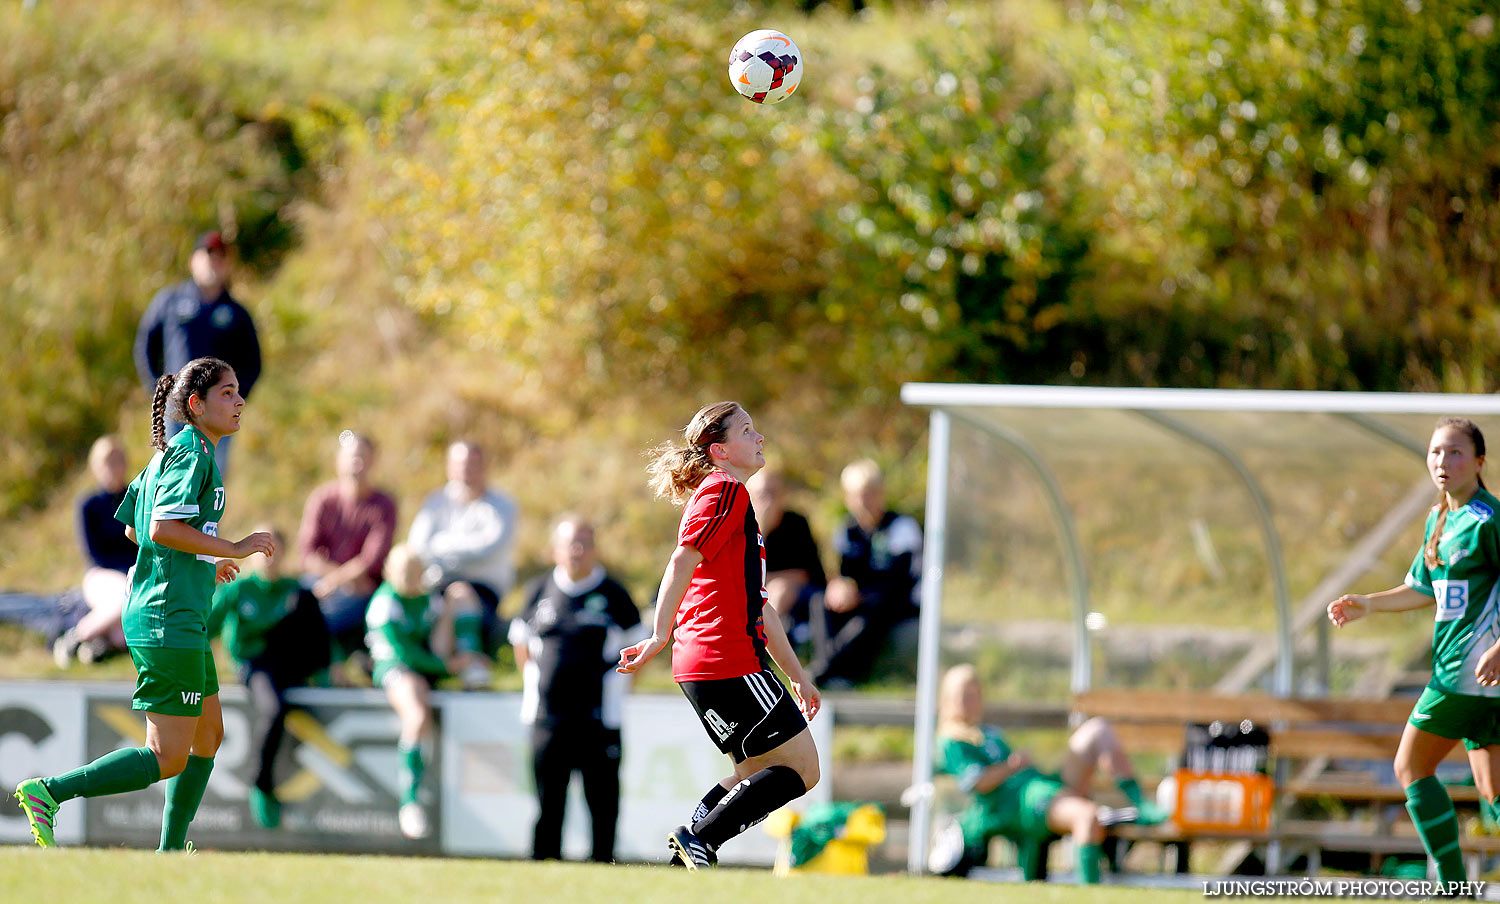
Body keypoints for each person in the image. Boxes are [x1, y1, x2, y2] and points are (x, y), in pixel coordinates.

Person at [13, 357, 276, 851]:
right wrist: (235, 548)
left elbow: (136, 528)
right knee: (168, 755)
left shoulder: (170, 454)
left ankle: (172, 849)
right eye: (227, 393)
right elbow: (158, 530)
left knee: (209, 734)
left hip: (177, 612)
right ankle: (49, 793)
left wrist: (201, 560)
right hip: (167, 618)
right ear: (195, 405)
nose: (240, 400)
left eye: (239, 391)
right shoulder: (193, 455)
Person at [618, 401, 821, 870]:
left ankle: (686, 854)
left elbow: (760, 607)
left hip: (706, 663)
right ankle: (698, 840)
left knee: (751, 774)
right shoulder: (727, 489)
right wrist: (656, 635)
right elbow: (681, 561)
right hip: (726, 659)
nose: (760, 437)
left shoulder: (727, 497)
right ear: (721, 450)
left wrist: (797, 675)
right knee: (801, 770)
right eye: (748, 431)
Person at [1327, 416, 1500, 888]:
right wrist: (1368, 604)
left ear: (1479, 462)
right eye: (1436, 452)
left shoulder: (1490, 519)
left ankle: (1449, 886)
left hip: (1465, 672)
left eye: (1456, 452)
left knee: (1410, 766)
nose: (1443, 461)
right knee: (1492, 790)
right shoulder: (1439, 518)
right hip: (1479, 678)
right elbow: (1422, 588)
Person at [933, 664, 1164, 883]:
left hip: (1038, 786)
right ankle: (1090, 892)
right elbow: (978, 783)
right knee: (1087, 816)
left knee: (1097, 729)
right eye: (964, 696)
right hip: (1020, 804)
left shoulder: (989, 733)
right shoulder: (952, 740)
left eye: (974, 696)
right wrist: (1012, 766)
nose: (971, 703)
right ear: (948, 700)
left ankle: (1140, 803)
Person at [510, 514, 647, 862]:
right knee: (547, 805)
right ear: (554, 549)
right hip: (547, 720)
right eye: (570, 542)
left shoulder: (614, 594)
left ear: (595, 549)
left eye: (585, 542)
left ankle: (603, 871)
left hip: (598, 721)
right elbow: (521, 644)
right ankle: (542, 872)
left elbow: (639, 651)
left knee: (602, 807)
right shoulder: (538, 591)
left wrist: (618, 692)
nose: (577, 549)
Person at [208, 525, 330, 829]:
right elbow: (205, 628)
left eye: (273, 549)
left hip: (288, 664)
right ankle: (261, 784)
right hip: (255, 665)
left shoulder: (296, 590)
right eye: (261, 549)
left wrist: (329, 668)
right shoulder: (239, 587)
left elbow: (319, 635)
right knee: (274, 710)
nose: (267, 557)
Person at [367, 543, 486, 841]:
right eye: (404, 572)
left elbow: (433, 638)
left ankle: (474, 664)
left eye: (415, 571)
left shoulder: (425, 599)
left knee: (460, 593)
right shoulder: (384, 605)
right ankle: (409, 802)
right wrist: (447, 667)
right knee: (418, 716)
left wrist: (450, 661)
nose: (410, 577)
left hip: (427, 665)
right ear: (389, 573)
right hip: (397, 669)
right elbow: (404, 654)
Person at [133, 231, 261, 474]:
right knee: (171, 477)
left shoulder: (236, 313)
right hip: (177, 408)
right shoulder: (170, 302)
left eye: (220, 257)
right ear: (193, 260)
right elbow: (145, 346)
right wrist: (159, 391)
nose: (214, 263)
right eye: (208, 255)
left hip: (216, 413)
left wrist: (230, 399)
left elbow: (253, 363)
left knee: (209, 478)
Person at [814, 459, 922, 687]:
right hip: (861, 598)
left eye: (870, 494)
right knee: (820, 602)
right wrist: (839, 586)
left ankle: (824, 669)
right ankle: (830, 668)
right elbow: (842, 571)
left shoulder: (901, 526)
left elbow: (902, 581)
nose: (864, 501)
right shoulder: (846, 530)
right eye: (857, 495)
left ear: (881, 493)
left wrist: (860, 595)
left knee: (873, 612)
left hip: (895, 601)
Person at [296, 431, 398, 673]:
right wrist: (335, 579)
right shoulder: (322, 499)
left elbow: (371, 560)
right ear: (339, 460)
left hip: (363, 588)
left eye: (364, 457)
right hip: (325, 582)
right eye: (352, 457)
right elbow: (307, 553)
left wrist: (336, 581)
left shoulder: (383, 505)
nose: (357, 463)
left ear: (374, 462)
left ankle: (332, 663)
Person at [407, 440, 520, 656]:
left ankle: (459, 659)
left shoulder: (503, 505)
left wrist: (441, 545)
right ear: (449, 467)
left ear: (485, 467)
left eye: (473, 464)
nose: (466, 470)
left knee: (458, 595)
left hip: (484, 589)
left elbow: (488, 548)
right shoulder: (435, 501)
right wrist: (459, 548)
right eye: (460, 464)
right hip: (435, 584)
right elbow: (417, 547)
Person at [55, 435, 134, 665]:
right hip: (101, 575)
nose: (113, 469)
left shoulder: (136, 498)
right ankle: (79, 636)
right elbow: (93, 553)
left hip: (134, 573)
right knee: (124, 597)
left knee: (122, 634)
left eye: (117, 461)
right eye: (107, 463)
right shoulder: (88, 504)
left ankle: (99, 645)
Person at [746, 469, 827, 651]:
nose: (769, 500)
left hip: (800, 593)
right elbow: (744, 573)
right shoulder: (744, 528)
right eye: (762, 495)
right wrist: (763, 530)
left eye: (773, 493)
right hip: (761, 593)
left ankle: (764, 646)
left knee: (780, 591)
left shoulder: (796, 523)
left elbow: (812, 571)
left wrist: (778, 581)